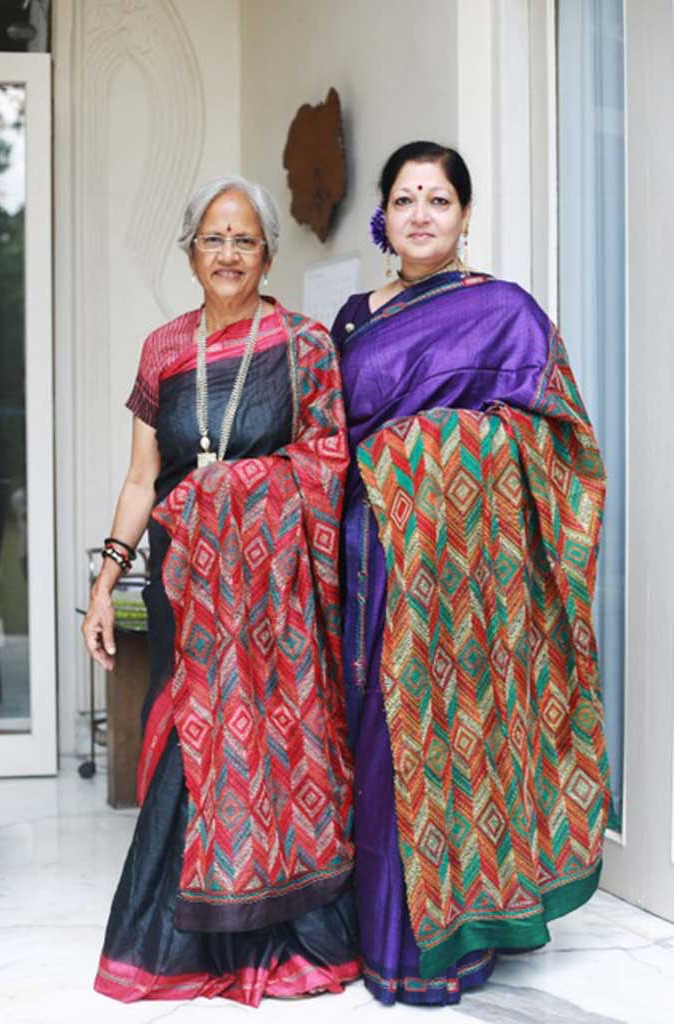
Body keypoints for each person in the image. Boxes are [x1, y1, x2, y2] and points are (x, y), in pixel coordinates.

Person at [331, 142, 611, 1007]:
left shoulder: (503, 311)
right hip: (372, 555)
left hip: (467, 578)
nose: (420, 214)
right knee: (379, 737)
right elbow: (326, 438)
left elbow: (561, 438)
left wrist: (437, 445)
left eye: (438, 199)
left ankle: (454, 939)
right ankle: (379, 939)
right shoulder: (350, 320)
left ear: (463, 215)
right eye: (404, 198)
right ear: (382, 216)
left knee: (459, 737)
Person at [83, 176, 359, 1005]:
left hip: (274, 597)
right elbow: (142, 478)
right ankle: (183, 944)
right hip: (185, 585)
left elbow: (328, 462)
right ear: (190, 252)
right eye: (214, 238)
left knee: (271, 745)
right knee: (191, 741)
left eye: (244, 240)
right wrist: (105, 581)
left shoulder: (305, 344)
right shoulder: (163, 349)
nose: (229, 253)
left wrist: (240, 490)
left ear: (268, 254)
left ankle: (287, 933)